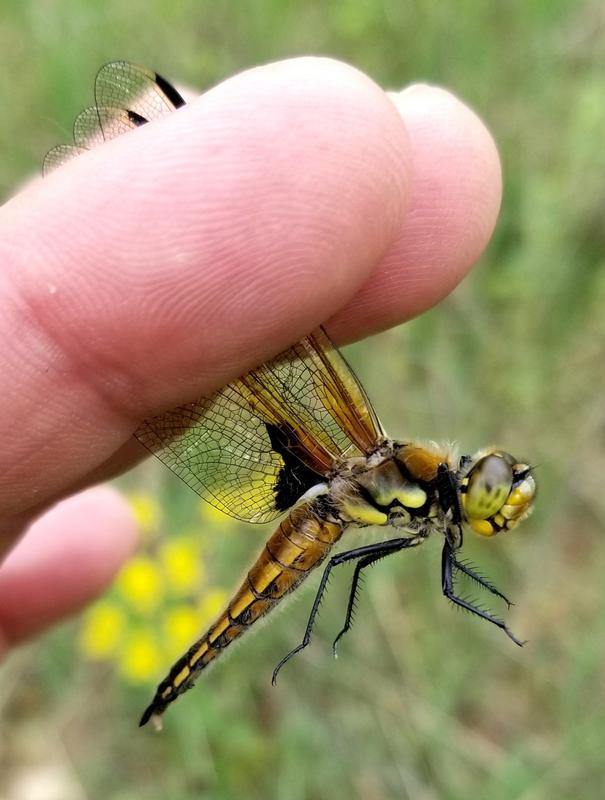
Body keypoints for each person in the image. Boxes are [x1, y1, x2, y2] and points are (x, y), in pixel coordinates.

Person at [0, 57, 502, 657]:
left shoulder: (428, 501)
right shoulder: (405, 477)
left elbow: (358, 566)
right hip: (323, 504)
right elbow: (351, 567)